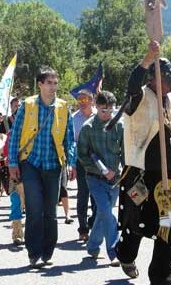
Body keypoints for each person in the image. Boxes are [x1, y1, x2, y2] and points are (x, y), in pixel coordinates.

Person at [114, 41, 171, 285]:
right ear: (153, 77)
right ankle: (125, 254)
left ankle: (161, 275)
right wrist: (147, 58)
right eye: (167, 76)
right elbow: (132, 84)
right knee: (138, 223)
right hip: (143, 173)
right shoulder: (140, 96)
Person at [8, 66, 76, 268]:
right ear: (40, 84)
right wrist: (13, 162)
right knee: (34, 208)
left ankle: (48, 251)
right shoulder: (27, 105)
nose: (53, 87)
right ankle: (33, 252)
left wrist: (71, 162)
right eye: (49, 83)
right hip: (30, 163)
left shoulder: (63, 107)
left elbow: (69, 138)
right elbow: (15, 135)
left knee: (50, 211)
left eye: (55, 83)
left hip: (54, 165)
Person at [77, 90, 123, 265]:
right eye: (104, 111)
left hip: (115, 180)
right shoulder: (88, 127)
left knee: (102, 215)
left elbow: (124, 151)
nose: (108, 115)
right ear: (96, 107)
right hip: (95, 179)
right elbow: (82, 155)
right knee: (106, 212)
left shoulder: (119, 125)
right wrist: (101, 169)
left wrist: (125, 171)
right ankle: (114, 252)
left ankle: (92, 247)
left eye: (111, 111)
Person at [72, 88, 97, 242]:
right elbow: (72, 143)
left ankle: (93, 223)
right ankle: (83, 229)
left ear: (92, 100)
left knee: (97, 196)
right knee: (83, 195)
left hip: (98, 163)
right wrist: (72, 165)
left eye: (84, 99)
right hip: (81, 162)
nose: (81, 103)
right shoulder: (74, 119)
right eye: (79, 100)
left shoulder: (100, 116)